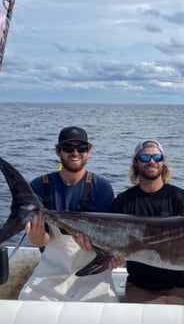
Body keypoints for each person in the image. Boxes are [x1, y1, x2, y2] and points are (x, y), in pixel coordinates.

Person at [18, 126, 120, 302]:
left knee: (110, 313)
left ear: (89, 151)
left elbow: (107, 239)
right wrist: (36, 237)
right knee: (25, 304)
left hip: (93, 273)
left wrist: (114, 256)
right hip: (50, 274)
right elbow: (41, 240)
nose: (75, 153)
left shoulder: (101, 187)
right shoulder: (40, 185)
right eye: (68, 148)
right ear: (58, 151)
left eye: (81, 148)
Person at [110, 140, 184, 304]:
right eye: (145, 157)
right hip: (141, 287)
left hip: (181, 286)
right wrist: (114, 257)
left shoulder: (179, 198)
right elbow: (113, 243)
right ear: (136, 162)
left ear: (163, 163)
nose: (151, 161)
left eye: (157, 157)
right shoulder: (123, 201)